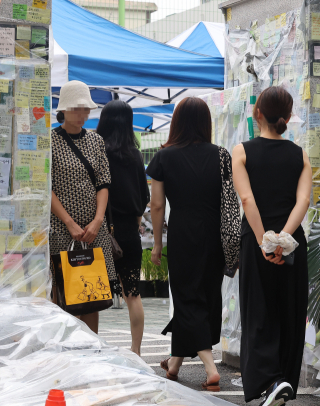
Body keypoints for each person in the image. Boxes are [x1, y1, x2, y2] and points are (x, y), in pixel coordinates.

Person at [146, 97, 235, 392]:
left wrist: (157, 244)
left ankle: (210, 369)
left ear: (177, 123)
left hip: (184, 232)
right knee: (206, 296)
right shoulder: (222, 155)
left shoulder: (164, 156)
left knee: (187, 298)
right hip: (215, 232)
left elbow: (157, 206)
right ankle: (175, 363)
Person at [232, 87, 311, 406]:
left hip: (255, 242)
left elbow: (247, 199)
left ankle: (270, 381)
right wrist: (283, 239)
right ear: (288, 118)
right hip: (293, 244)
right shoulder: (299, 154)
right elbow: (303, 200)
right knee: (289, 311)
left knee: (259, 312)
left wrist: (267, 240)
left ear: (257, 114)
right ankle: (283, 381)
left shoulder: (242, 151)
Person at [50, 80, 122, 334]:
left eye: (86, 110)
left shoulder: (96, 141)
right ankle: (64, 352)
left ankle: (91, 350)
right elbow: (46, 188)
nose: (82, 115)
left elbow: (104, 182)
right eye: (77, 109)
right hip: (61, 230)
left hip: (93, 228)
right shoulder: (50, 141)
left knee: (93, 295)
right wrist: (69, 223)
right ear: (64, 110)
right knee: (63, 294)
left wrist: (98, 220)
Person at [97, 100, 150, 356]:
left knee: (92, 293)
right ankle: (136, 351)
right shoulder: (135, 155)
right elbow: (143, 198)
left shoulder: (97, 152)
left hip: (100, 231)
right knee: (133, 294)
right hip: (129, 232)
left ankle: (91, 349)